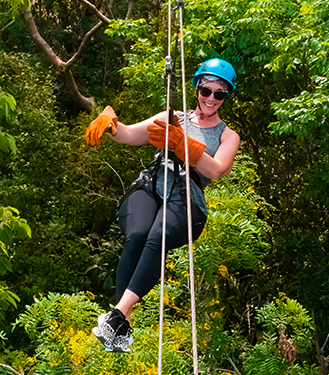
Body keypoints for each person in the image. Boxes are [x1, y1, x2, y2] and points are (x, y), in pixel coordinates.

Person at [85, 58, 240, 353]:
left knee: (159, 236)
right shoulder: (173, 117)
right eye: (207, 90)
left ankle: (118, 316)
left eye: (219, 94)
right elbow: (130, 134)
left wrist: (187, 148)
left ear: (225, 97)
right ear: (197, 88)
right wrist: (111, 125)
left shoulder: (227, 136)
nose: (211, 99)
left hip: (186, 198)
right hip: (152, 186)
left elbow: (218, 169)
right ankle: (119, 320)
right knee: (138, 234)